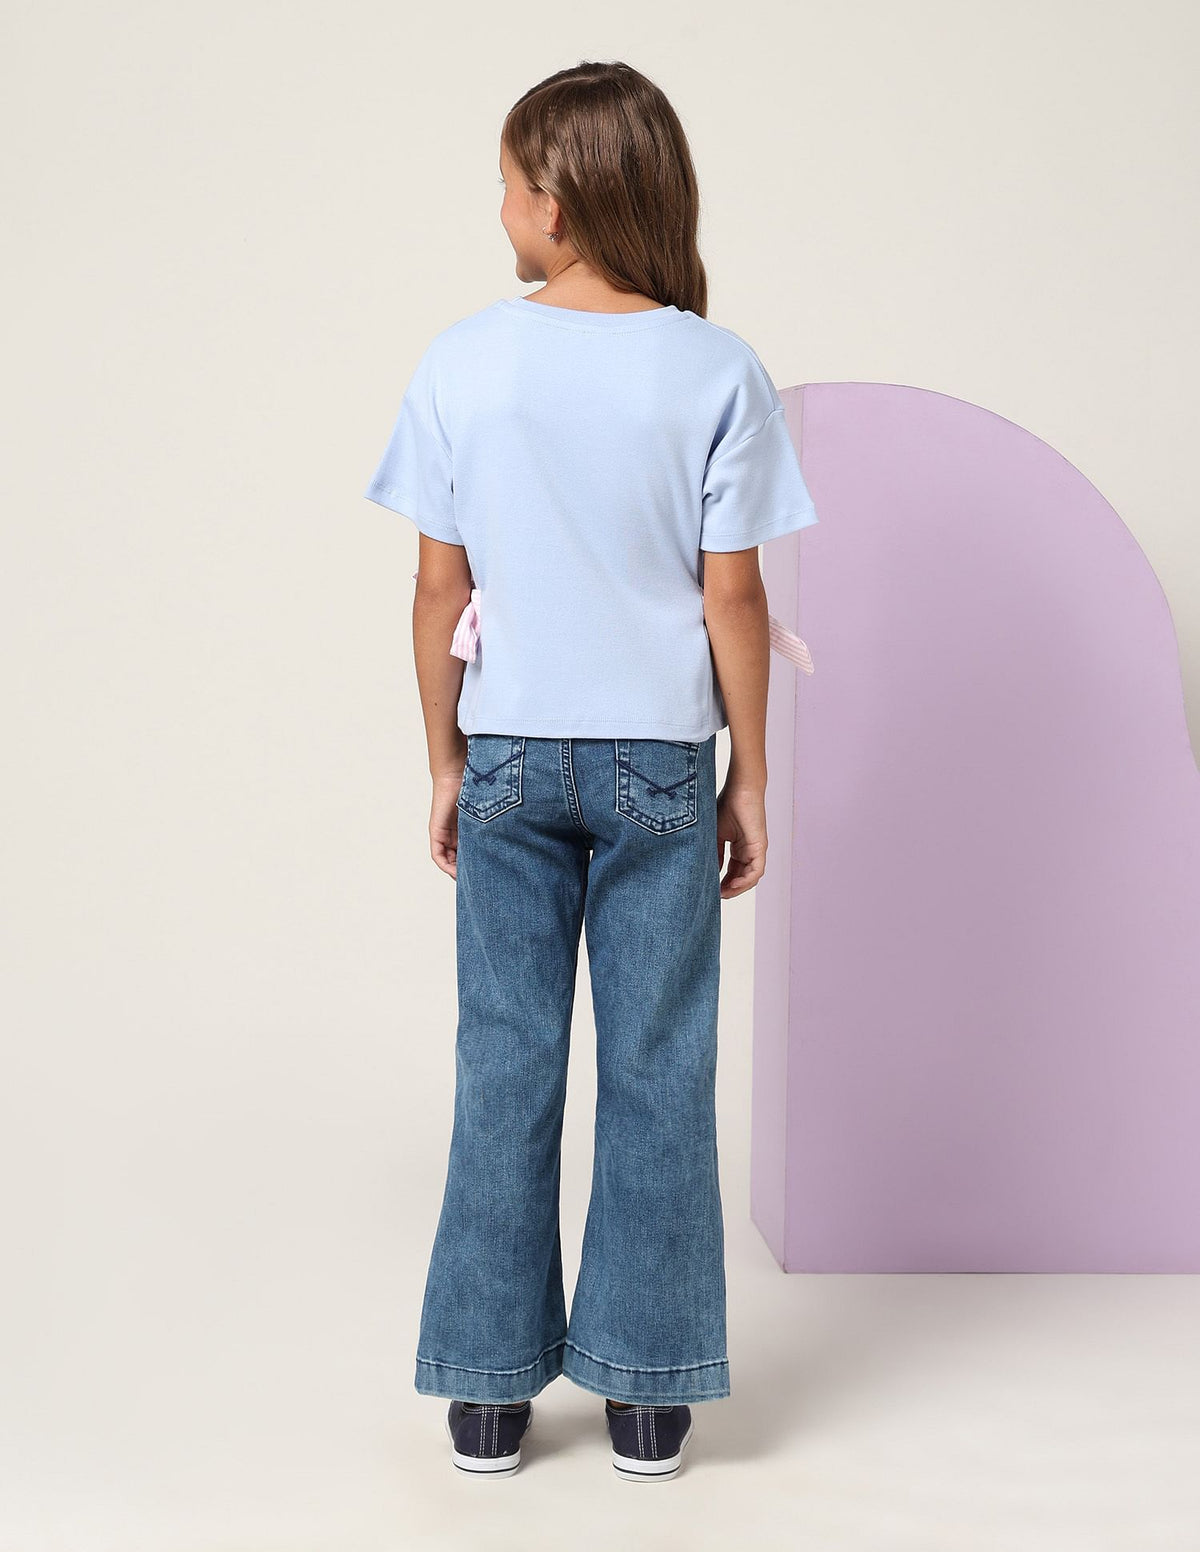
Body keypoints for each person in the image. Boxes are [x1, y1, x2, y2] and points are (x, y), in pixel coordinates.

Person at [363, 60, 818, 1481]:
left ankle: (488, 1396)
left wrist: (444, 756)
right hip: (661, 764)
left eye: (507, 185)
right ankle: (647, 1395)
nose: (499, 208)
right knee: (659, 1068)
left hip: (510, 751)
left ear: (555, 204)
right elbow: (733, 597)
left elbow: (438, 591)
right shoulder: (715, 368)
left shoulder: (463, 362)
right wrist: (750, 776)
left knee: (503, 1062)